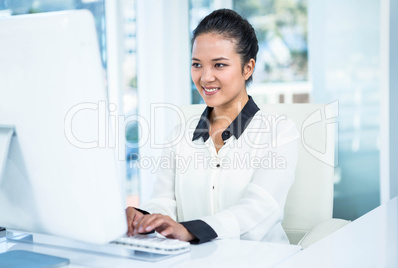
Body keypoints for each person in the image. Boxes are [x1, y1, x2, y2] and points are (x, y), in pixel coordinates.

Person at [126, 8, 299, 244]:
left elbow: (259, 210)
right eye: (197, 65)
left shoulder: (280, 132)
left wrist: (191, 231)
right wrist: (146, 218)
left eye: (219, 65)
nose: (205, 77)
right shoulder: (180, 135)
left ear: (248, 68)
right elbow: (163, 200)